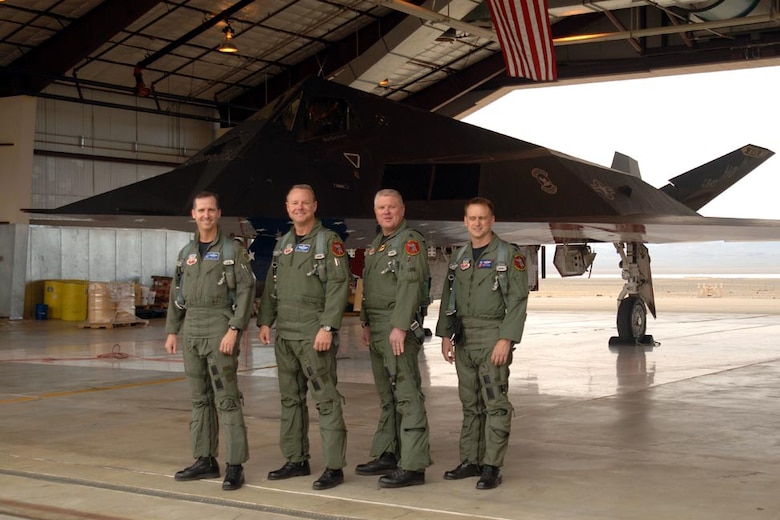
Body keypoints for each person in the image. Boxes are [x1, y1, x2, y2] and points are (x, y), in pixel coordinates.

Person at [257, 184, 350, 490]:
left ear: (314, 206)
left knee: (325, 400)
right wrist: (265, 321)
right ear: (287, 207)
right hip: (285, 332)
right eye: (294, 203)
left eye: (305, 203)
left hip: (313, 332)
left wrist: (328, 327)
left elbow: (339, 285)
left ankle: (334, 467)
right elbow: (272, 285)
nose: (299, 208)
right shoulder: (283, 243)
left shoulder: (328, 241)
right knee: (290, 399)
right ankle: (296, 459)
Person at [435, 197, 529, 490]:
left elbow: (518, 300)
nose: (477, 223)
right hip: (464, 337)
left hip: (492, 336)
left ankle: (491, 466)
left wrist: (506, 338)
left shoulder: (507, 255)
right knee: (470, 403)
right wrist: (446, 335)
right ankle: (469, 461)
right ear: (465, 221)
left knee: (495, 403)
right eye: (472, 218)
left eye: (483, 218)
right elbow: (448, 298)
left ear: (492, 220)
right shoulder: (459, 256)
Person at [164, 191, 255, 491]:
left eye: (211, 210)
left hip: (219, 328)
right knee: (199, 399)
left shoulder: (233, 250)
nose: (206, 215)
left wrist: (234, 329)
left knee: (227, 399)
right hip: (192, 329)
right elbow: (177, 294)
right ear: (194, 214)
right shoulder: (186, 253)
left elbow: (245, 290)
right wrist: (171, 331)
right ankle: (205, 459)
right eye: (201, 210)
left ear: (218, 213)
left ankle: (235, 465)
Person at [356, 188, 432, 488]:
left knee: (407, 394)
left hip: (396, 329)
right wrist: (364, 322)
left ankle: (413, 465)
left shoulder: (409, 242)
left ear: (402, 209)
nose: (386, 212)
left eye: (391, 207)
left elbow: (410, 284)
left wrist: (400, 325)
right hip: (377, 327)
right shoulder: (378, 245)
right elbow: (371, 285)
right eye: (381, 208)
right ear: (375, 212)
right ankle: (390, 452)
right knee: (387, 397)